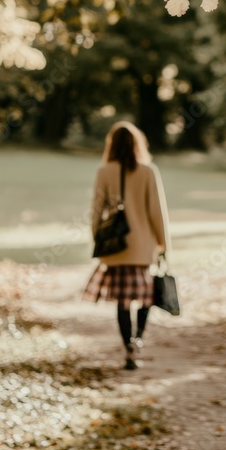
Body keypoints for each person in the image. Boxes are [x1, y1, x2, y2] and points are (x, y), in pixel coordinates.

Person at [82, 120, 170, 370]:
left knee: (122, 301)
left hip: (116, 248)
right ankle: (138, 339)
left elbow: (96, 212)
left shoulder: (104, 171)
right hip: (143, 247)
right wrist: (162, 243)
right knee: (144, 298)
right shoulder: (148, 171)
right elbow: (157, 212)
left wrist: (98, 240)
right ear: (136, 144)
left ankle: (127, 345)